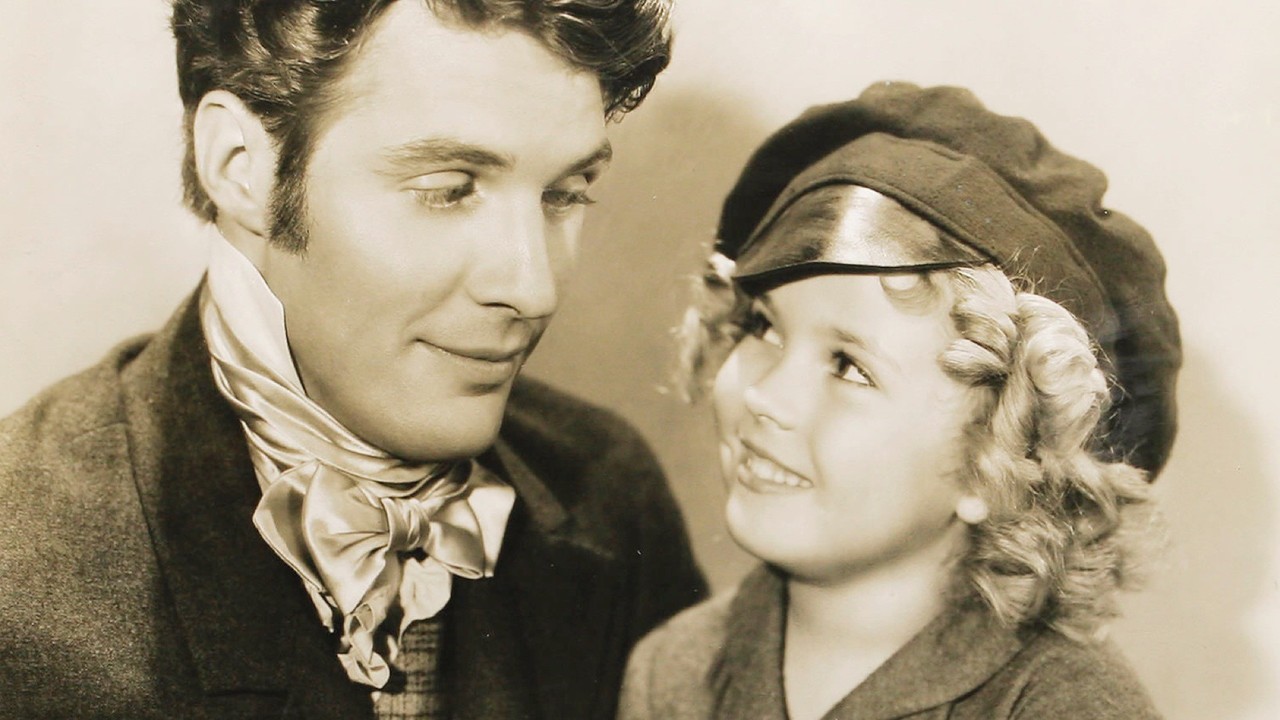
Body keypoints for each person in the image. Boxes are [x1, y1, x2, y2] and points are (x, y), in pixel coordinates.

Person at [0, 1, 706, 718]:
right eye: (447, 191)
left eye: (563, 194)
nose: (533, 288)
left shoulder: (611, 493)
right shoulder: (18, 573)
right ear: (240, 168)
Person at [620, 82, 1181, 719]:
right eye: (763, 326)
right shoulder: (675, 670)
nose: (766, 395)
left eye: (849, 367)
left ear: (999, 459)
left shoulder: (1064, 706)